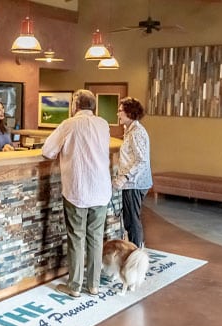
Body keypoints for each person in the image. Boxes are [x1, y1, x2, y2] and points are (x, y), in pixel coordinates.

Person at [42, 89, 112, 298]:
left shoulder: (69, 124)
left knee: (76, 237)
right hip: (101, 189)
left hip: (78, 190)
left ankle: (74, 286)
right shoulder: (103, 124)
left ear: (75, 105)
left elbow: (47, 151)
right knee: (96, 237)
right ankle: (94, 285)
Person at [112, 97, 153, 248]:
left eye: (120, 111)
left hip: (135, 183)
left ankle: (135, 254)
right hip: (131, 183)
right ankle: (135, 251)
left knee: (132, 221)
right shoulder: (130, 130)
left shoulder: (136, 132)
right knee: (130, 219)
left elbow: (142, 160)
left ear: (130, 113)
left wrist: (125, 177)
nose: (118, 114)